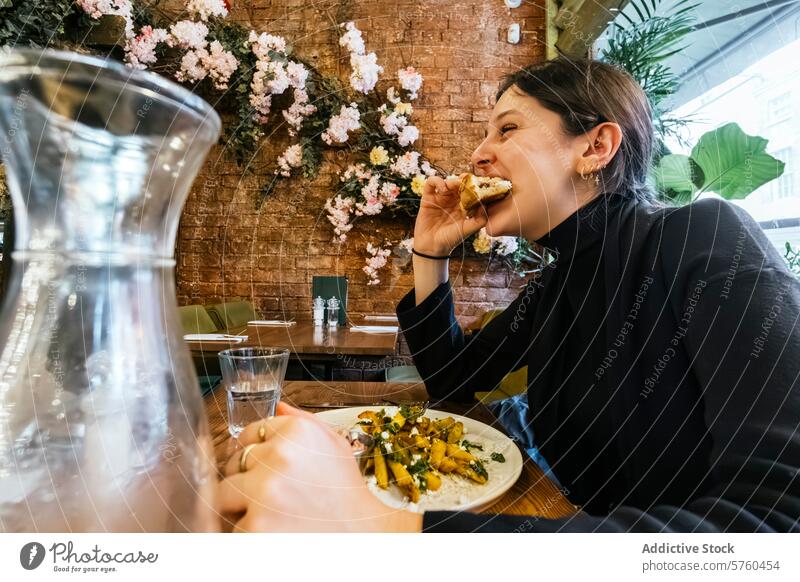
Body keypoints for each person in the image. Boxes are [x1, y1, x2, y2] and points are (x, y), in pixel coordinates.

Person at [217, 58, 800, 532]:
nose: (478, 152)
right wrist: (430, 253)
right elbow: (453, 381)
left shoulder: (702, 238)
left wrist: (386, 529)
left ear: (595, 148)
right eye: (485, 133)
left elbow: (777, 522)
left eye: (509, 128)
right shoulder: (556, 283)